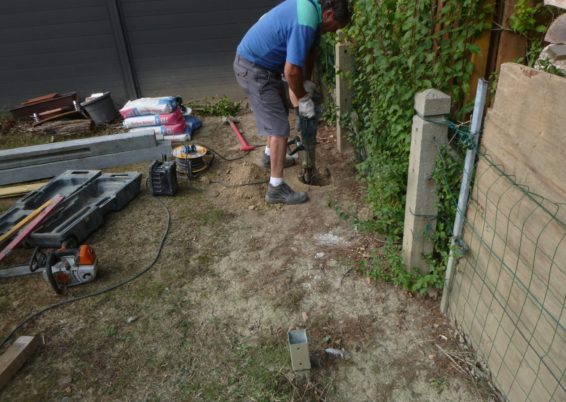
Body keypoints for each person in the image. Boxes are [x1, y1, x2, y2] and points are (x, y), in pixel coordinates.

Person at [234, 0, 351, 204]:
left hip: (262, 66)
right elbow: (290, 71)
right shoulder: (305, 22)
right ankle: (276, 189)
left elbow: (308, 52)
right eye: (335, 27)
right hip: (254, 68)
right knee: (280, 127)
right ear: (329, 15)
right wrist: (304, 98)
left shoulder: (311, 12)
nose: (333, 32)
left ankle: (269, 156)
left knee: (278, 114)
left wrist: (304, 81)